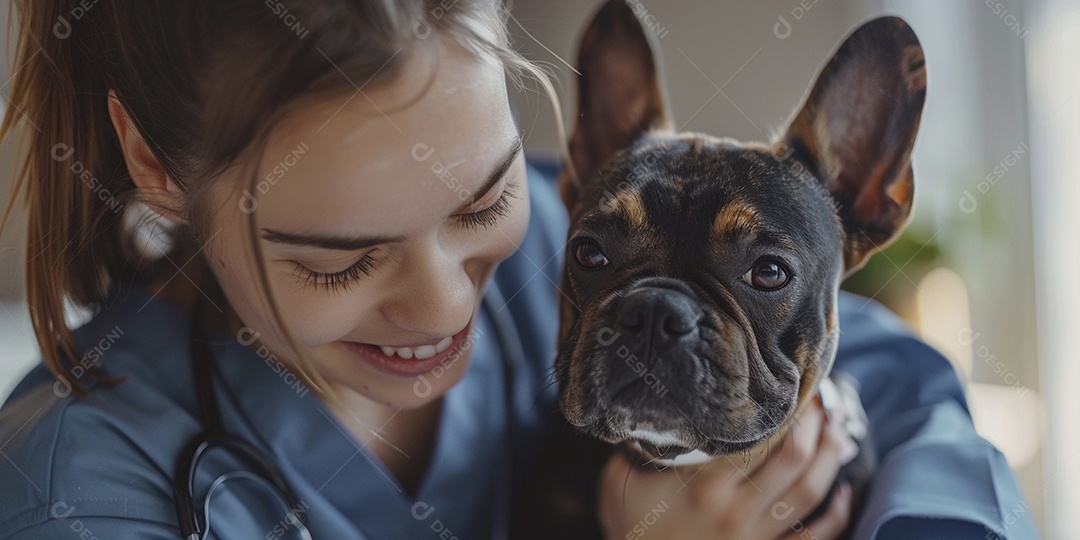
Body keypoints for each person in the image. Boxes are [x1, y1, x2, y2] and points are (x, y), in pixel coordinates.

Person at [0, 1, 1036, 539]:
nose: (449, 297)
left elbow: (904, 384)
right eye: (342, 258)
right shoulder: (77, 487)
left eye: (483, 200)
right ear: (153, 166)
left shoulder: (584, 231)